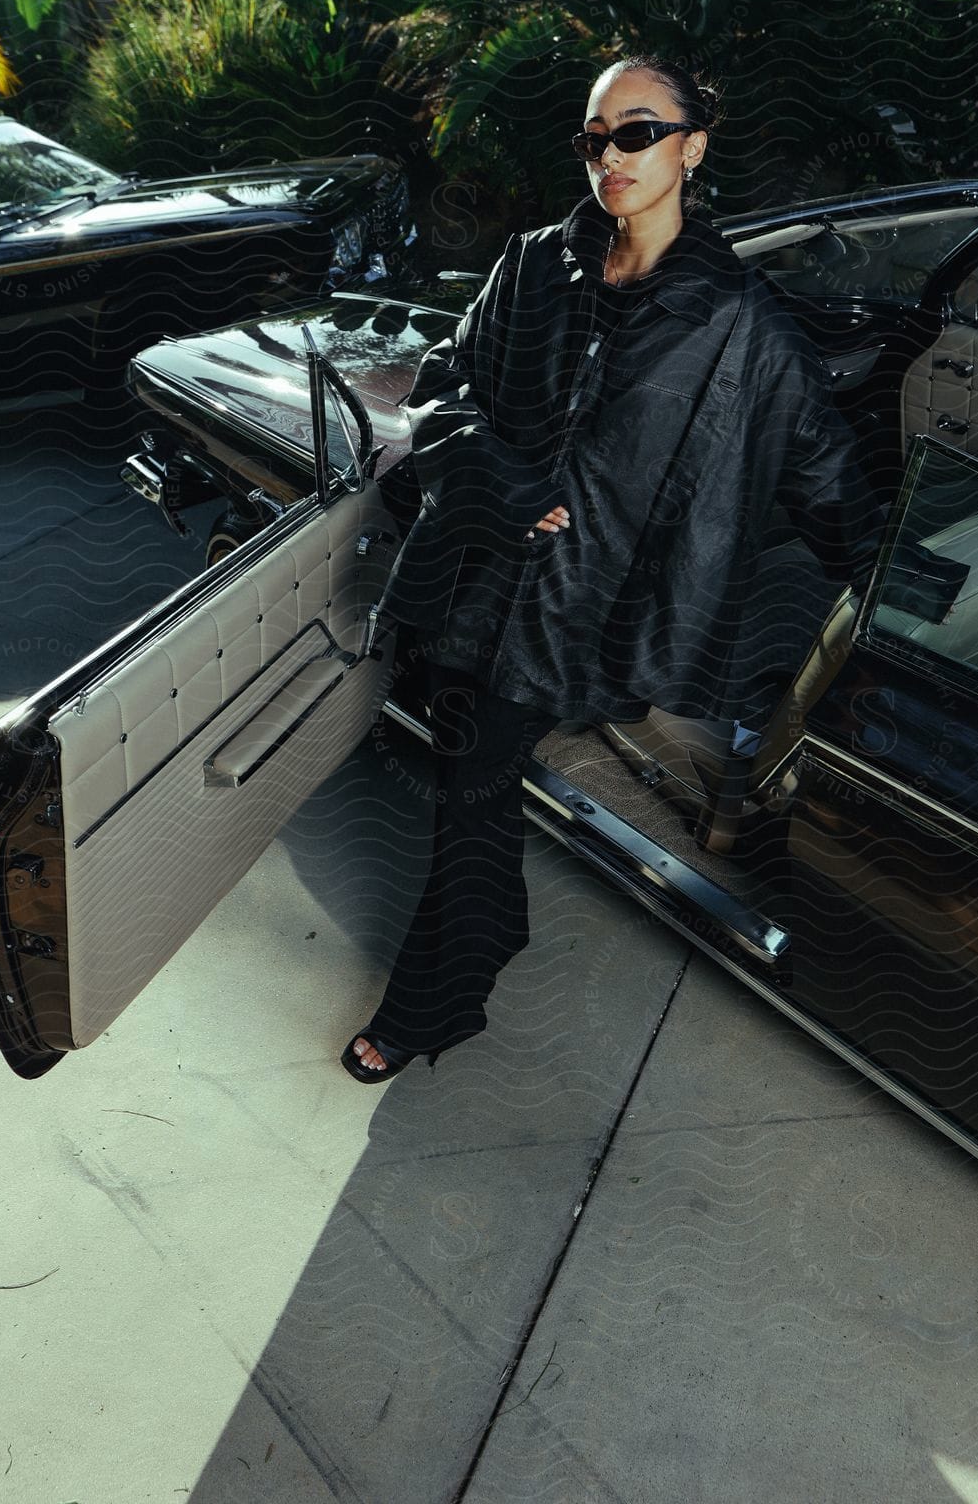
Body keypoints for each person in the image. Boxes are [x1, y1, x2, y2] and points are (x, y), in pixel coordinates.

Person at [341, 54, 881, 1083]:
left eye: (638, 131)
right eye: (596, 136)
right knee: (475, 787)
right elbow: (441, 387)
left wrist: (906, 588)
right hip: (473, 576)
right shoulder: (535, 263)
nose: (613, 155)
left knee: (472, 784)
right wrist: (495, 474)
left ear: (692, 146)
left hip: (583, 610)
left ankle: (429, 1005)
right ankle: (491, 936)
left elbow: (822, 469)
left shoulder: (742, 322)